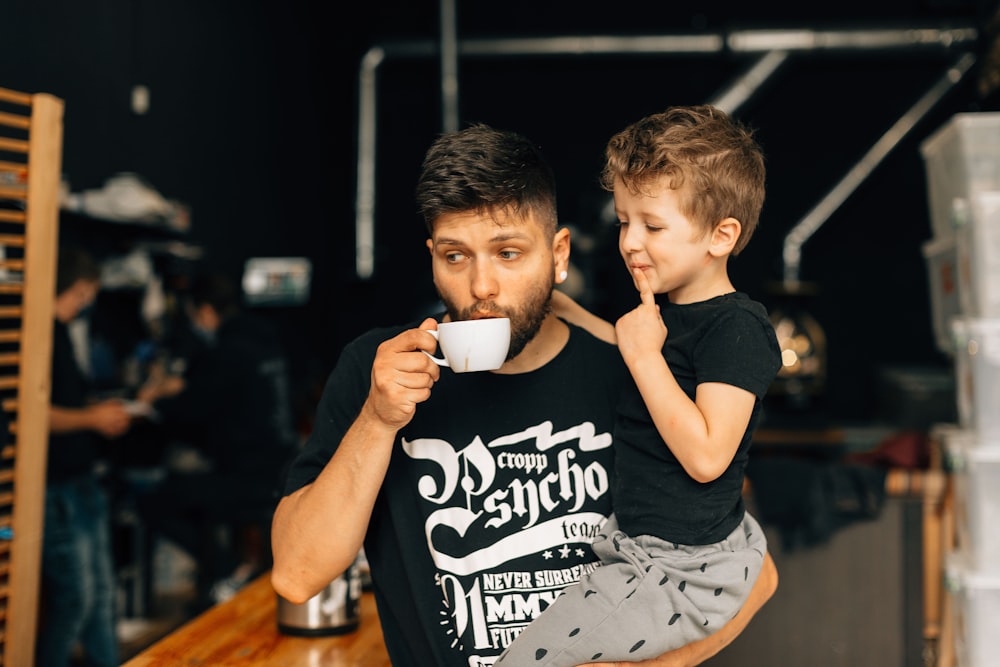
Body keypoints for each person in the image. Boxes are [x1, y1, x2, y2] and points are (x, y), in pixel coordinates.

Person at [271, 121, 777, 666]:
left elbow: (750, 572)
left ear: (559, 255)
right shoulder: (379, 372)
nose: (481, 286)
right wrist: (377, 420)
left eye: (508, 253)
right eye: (455, 256)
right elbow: (297, 576)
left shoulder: (635, 372)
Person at [495, 105, 782, 665]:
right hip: (638, 551)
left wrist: (644, 355)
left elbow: (706, 456)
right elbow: (624, 344)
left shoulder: (739, 329)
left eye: (652, 225)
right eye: (625, 220)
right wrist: (542, 292)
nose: (630, 241)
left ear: (721, 236)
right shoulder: (668, 316)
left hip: (683, 570)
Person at [136, 268, 298, 605]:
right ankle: (227, 569)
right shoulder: (268, 343)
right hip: (283, 467)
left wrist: (156, 400)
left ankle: (230, 568)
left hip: (248, 477)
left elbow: (193, 409)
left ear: (206, 311)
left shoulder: (227, 351)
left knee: (155, 501)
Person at [38, 246, 133, 667]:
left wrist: (100, 412)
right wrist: (92, 418)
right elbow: (33, 414)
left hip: (82, 479)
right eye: (82, 293)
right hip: (56, 486)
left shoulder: (60, 333)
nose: (85, 303)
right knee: (77, 599)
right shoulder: (37, 333)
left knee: (103, 598)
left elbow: (68, 401)